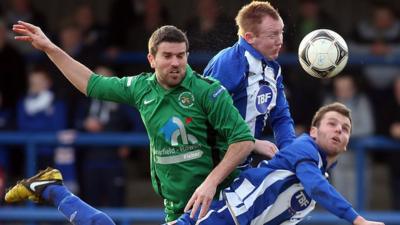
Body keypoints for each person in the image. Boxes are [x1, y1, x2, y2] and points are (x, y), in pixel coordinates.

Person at [11, 21, 255, 222]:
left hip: (213, 205)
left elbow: (242, 140)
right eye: (168, 56)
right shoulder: (141, 88)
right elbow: (91, 84)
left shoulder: (207, 91)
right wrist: (50, 48)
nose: (176, 63)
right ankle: (52, 189)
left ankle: (53, 190)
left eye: (181, 56)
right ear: (151, 59)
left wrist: (210, 183)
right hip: (176, 207)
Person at [5, 103, 385, 225]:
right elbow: (316, 187)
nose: (340, 130)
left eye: (346, 128)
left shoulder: (314, 167)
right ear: (315, 130)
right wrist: (357, 219)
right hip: (218, 217)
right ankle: (51, 186)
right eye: (332, 124)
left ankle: (50, 186)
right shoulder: (305, 153)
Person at [204, 1, 295, 166]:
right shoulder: (227, 64)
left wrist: (290, 156)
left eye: (281, 32)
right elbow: (206, 120)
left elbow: (281, 117)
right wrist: (252, 143)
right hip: (214, 166)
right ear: (249, 38)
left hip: (245, 164)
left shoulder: (273, 68)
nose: (280, 40)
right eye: (272, 35)